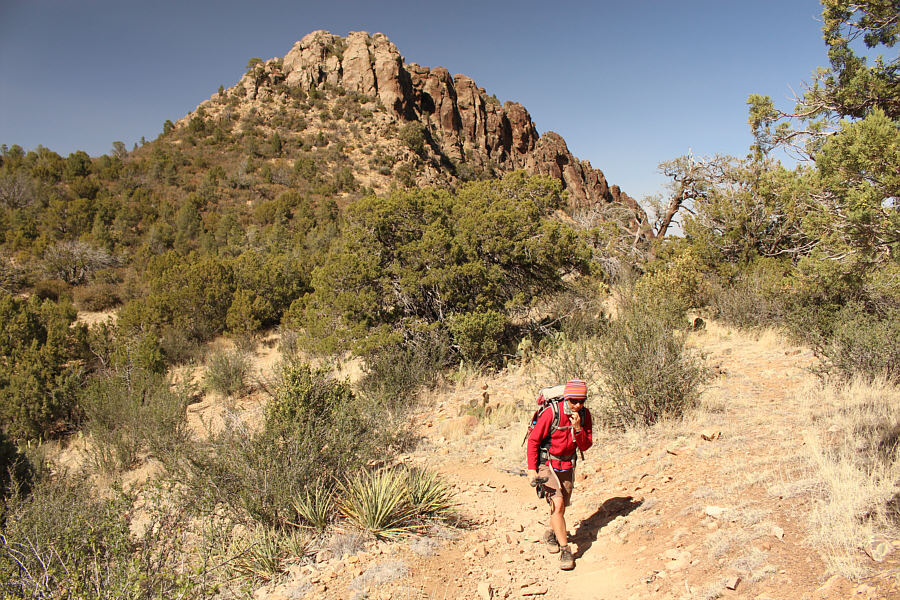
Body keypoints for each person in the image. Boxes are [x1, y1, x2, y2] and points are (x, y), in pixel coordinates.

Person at [526, 379, 593, 570]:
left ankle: (552, 533)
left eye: (582, 401)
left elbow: (586, 445)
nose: (578, 405)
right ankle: (565, 550)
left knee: (562, 505)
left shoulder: (584, 415)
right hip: (546, 463)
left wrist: (578, 429)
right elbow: (533, 441)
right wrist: (532, 470)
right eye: (573, 401)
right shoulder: (551, 413)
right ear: (566, 398)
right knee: (558, 502)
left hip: (567, 463)